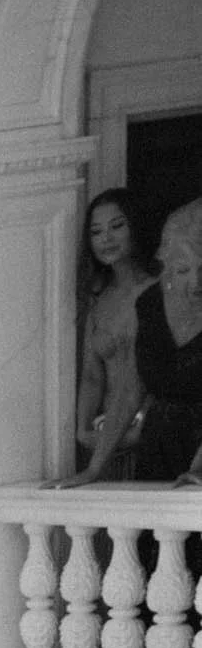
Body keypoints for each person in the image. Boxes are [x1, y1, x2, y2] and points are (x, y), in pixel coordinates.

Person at [71, 186, 153, 479]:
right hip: (104, 438)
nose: (106, 238)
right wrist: (82, 430)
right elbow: (92, 375)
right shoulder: (98, 301)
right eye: (96, 231)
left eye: (117, 226)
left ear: (136, 226)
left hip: (151, 435)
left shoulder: (159, 291)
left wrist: (142, 428)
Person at [128, 195, 202, 485]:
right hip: (158, 449)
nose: (196, 282)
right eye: (183, 270)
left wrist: (198, 468)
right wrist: (95, 467)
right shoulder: (149, 304)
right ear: (167, 266)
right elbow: (131, 387)